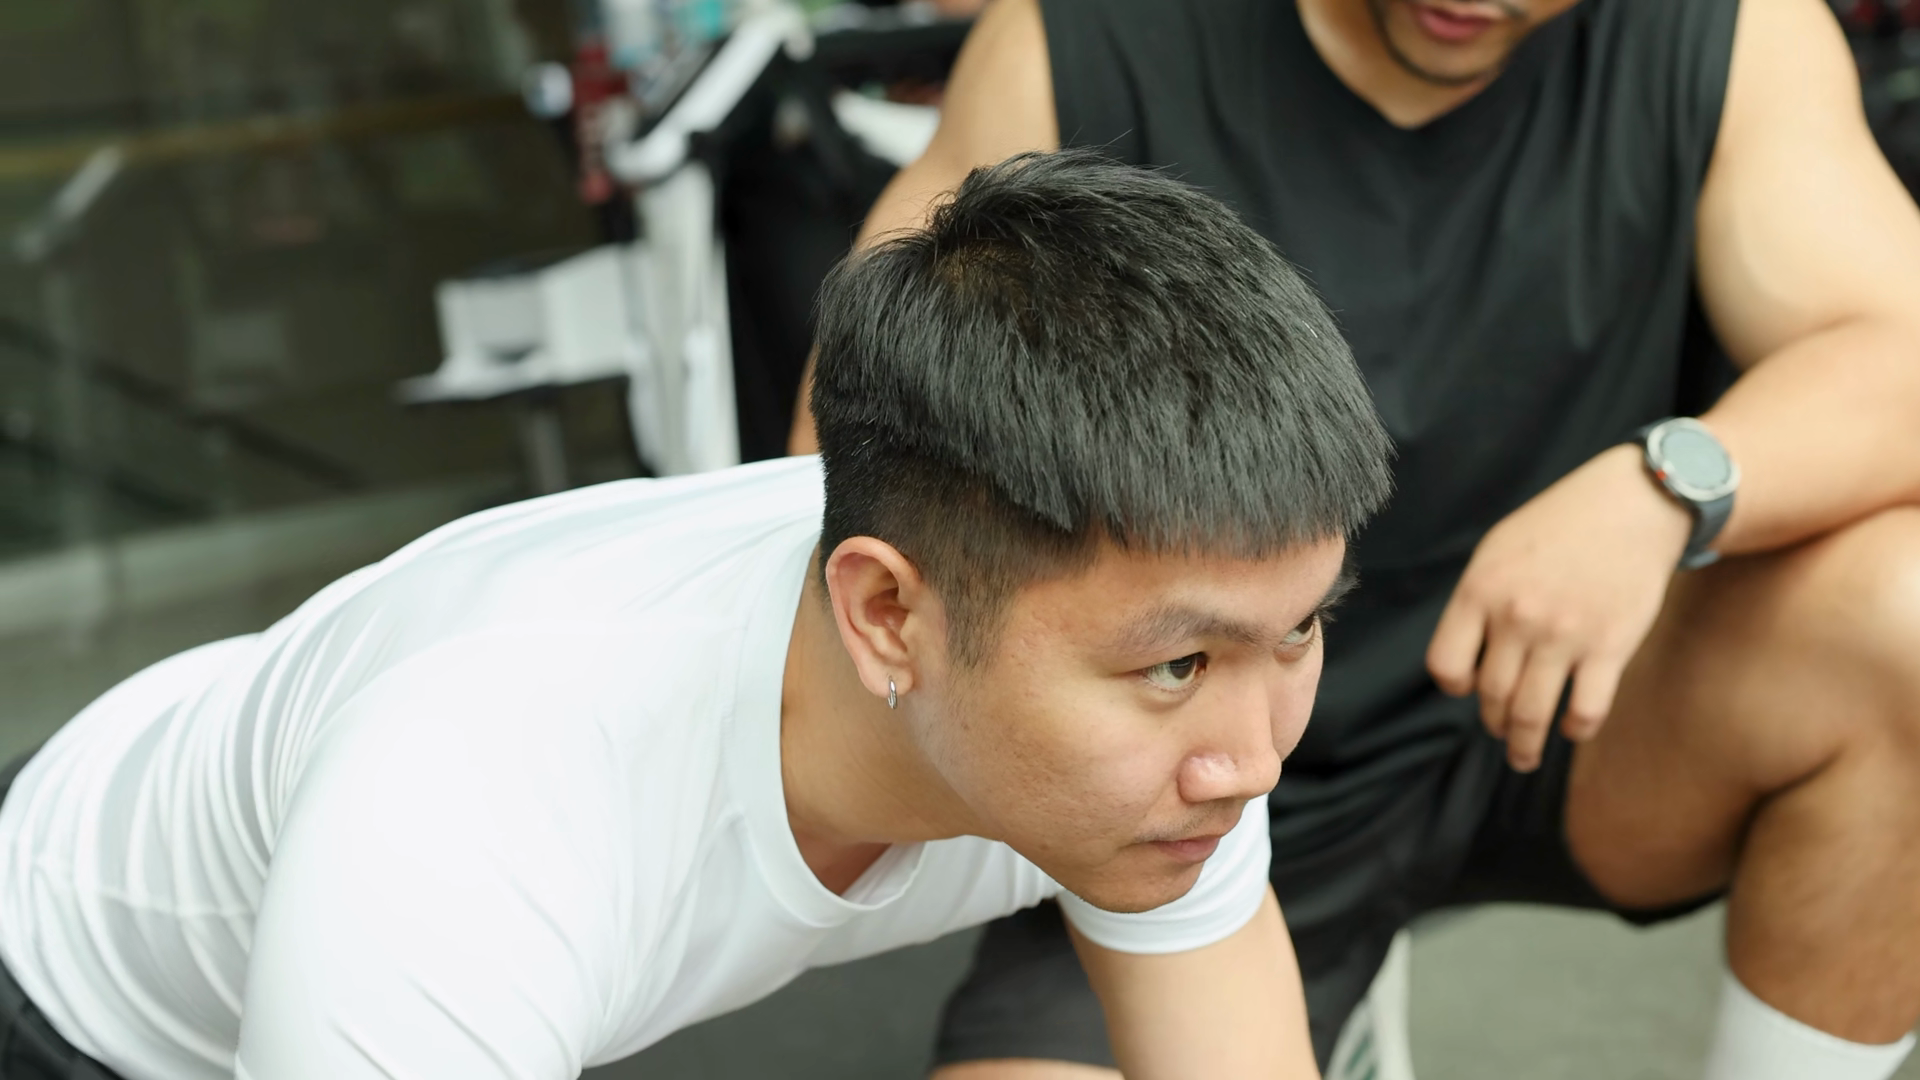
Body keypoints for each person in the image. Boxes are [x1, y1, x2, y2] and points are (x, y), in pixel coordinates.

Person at [0, 151, 1390, 1080]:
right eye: (1177, 666)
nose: (1252, 760)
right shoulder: (470, 810)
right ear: (887, 618)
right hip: (72, 996)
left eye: (1300, 632)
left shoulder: (1179, 699)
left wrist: (1203, 664)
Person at [787, 0, 1920, 1077]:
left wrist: (1660, 487)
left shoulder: (1730, 36)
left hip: (1541, 701)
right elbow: (867, 453)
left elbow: (1899, 354)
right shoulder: (1079, 39)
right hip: (1181, 766)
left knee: (1902, 616)